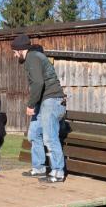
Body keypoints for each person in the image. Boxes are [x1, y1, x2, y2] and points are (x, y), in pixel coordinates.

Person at [11, 33, 66, 183]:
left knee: (50, 138)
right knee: (34, 134)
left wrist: (30, 104)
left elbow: (38, 83)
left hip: (52, 100)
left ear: (20, 50)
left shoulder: (32, 57)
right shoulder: (33, 58)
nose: (15, 56)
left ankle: (58, 172)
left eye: (14, 52)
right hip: (43, 102)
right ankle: (39, 168)